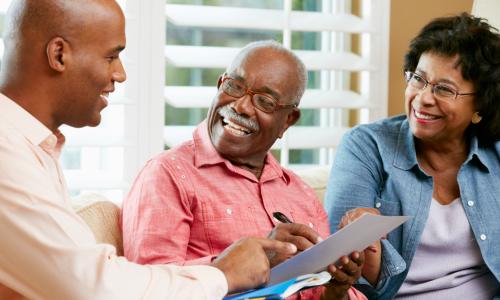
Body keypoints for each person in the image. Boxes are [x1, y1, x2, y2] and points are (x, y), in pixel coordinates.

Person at [0, 1, 299, 299]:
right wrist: (222, 274)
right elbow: (93, 288)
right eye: (111, 57)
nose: (120, 74)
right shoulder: (7, 154)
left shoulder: (32, 147)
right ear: (59, 54)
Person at [121, 40, 368, 300]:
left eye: (264, 101)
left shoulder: (300, 193)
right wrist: (258, 260)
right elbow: (149, 286)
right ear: (219, 86)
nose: (240, 106)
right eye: (234, 86)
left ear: (288, 121)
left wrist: (337, 290)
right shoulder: (168, 175)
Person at [324, 13, 500, 299]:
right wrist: (364, 242)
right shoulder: (367, 146)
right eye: (418, 79)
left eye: (444, 89)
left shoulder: (496, 154)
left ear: (480, 106)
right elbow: (344, 271)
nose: (423, 98)